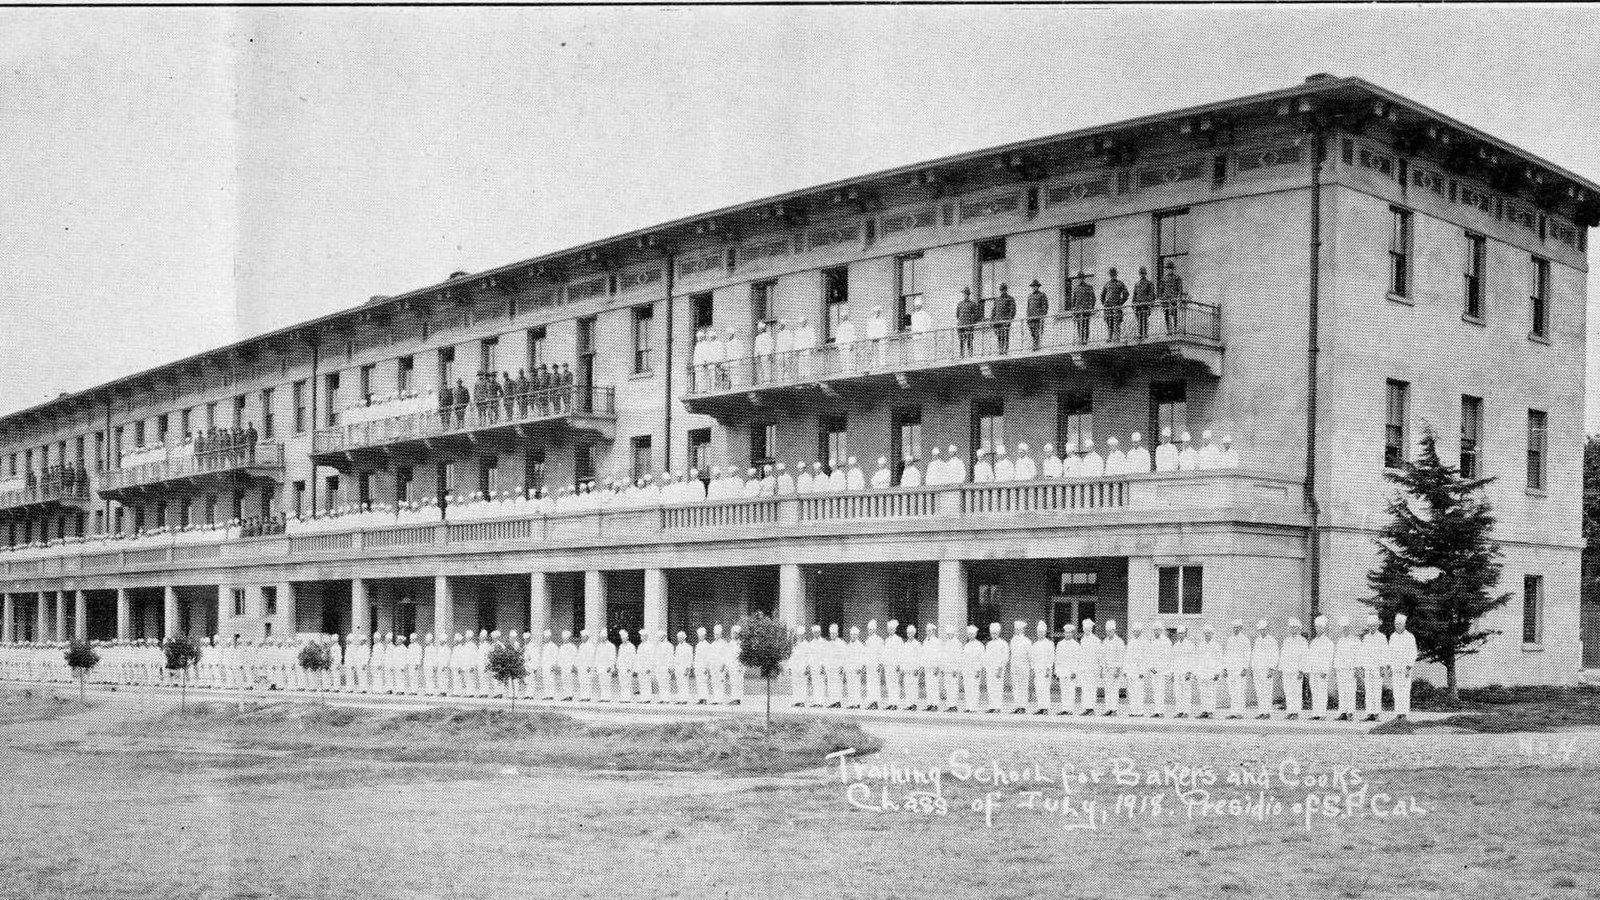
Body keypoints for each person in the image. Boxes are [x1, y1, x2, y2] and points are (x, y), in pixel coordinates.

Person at [1358, 614, 1388, 721]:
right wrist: (1362, 667)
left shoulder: (1382, 637)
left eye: (1374, 625)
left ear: (1377, 626)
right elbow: (1362, 653)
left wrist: (1383, 667)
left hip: (1377, 668)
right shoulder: (1366, 638)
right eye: (1370, 626)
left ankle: (1376, 714)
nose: (1372, 628)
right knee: (1369, 691)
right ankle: (1369, 713)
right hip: (1368, 667)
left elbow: (1384, 653)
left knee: (1376, 690)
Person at [1388, 613, 1418, 719]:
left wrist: (1408, 667)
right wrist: (1390, 667)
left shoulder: (1409, 637)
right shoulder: (1392, 637)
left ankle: (1404, 713)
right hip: (1395, 668)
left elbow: (1413, 653)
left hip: (1405, 669)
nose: (1397, 626)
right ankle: (1398, 713)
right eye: (1396, 624)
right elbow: (1390, 653)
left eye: (1400, 624)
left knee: (1404, 691)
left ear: (1404, 625)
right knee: (1396, 691)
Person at [1305, 616, 1335, 720]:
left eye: (1320, 627)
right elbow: (1310, 657)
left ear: (1324, 628)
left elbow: (1329, 658)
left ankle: (1322, 713)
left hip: (1322, 671)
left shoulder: (1328, 642)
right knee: (1314, 691)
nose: (1318, 629)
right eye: (1317, 627)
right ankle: (1315, 713)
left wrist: (1325, 670)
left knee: (1321, 692)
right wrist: (1308, 669)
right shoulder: (1314, 642)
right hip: (1313, 670)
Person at [1332, 616, 1360, 722]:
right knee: (1342, 691)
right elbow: (1337, 655)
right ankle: (1343, 712)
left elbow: (1358, 655)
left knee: (1350, 691)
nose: (1344, 629)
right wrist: (1335, 668)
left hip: (1350, 669)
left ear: (1349, 628)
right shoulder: (1340, 641)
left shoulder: (1355, 640)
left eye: (1346, 627)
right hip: (1341, 669)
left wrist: (1357, 668)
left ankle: (1350, 713)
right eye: (1343, 627)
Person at [1222, 620, 1251, 718]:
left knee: (1240, 691)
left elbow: (1247, 655)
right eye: (1234, 627)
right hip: (1231, 669)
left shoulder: (1245, 640)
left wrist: (1244, 668)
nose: (1235, 629)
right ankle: (1233, 712)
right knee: (1232, 692)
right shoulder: (1230, 639)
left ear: (1241, 628)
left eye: (1237, 627)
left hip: (1239, 670)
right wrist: (1225, 668)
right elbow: (1226, 655)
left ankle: (1240, 713)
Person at [1250, 620, 1279, 719]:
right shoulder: (1258, 640)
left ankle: (1267, 712)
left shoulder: (1272, 641)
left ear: (1268, 629)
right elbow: (1254, 655)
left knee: (1267, 691)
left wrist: (1271, 668)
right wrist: (1253, 668)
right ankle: (1261, 711)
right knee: (1259, 691)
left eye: (1264, 629)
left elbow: (1275, 655)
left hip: (1266, 670)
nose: (1262, 631)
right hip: (1257, 669)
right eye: (1260, 630)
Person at [1076, 618, 1102, 715]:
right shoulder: (1083, 640)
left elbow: (1099, 655)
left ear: (1091, 629)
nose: (1087, 630)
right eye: (1085, 628)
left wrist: (1100, 668)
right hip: (1084, 669)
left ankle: (1091, 708)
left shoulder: (1095, 640)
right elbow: (1081, 655)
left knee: (1091, 688)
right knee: (1085, 689)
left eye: (1089, 628)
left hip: (1093, 668)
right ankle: (1086, 708)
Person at [1029, 621, 1055, 714]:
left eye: (1042, 632)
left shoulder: (1049, 643)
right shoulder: (1035, 644)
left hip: (1045, 670)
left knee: (1045, 688)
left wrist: (1048, 669)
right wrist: (1032, 668)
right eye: (1038, 632)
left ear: (1045, 632)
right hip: (1037, 670)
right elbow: (1032, 657)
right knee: (1038, 688)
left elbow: (1051, 657)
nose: (1040, 634)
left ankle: (1045, 708)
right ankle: (1040, 707)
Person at [959, 624, 984, 713]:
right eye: (969, 634)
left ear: (975, 634)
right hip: (966, 670)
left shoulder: (979, 645)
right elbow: (963, 659)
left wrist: (978, 670)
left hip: (974, 670)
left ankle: (974, 707)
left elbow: (981, 659)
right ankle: (969, 706)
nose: (970, 636)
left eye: (972, 634)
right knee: (968, 688)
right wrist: (962, 671)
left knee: (974, 688)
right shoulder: (966, 646)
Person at [862, 620, 885, 710]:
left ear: (875, 630)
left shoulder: (879, 640)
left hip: (875, 665)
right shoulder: (868, 640)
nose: (870, 631)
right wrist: (864, 664)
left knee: (875, 683)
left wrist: (880, 664)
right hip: (869, 665)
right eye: (869, 629)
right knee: (869, 684)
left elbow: (881, 653)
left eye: (871, 629)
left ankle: (875, 702)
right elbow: (865, 653)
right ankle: (871, 702)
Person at [1101, 267, 1129, 340]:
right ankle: (1109, 338)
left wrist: (1120, 302)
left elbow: (1126, 294)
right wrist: (1104, 303)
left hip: (1116, 307)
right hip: (1108, 308)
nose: (1112, 276)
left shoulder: (1120, 283)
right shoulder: (1107, 284)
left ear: (1116, 275)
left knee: (1117, 323)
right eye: (1111, 274)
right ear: (1110, 275)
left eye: (1114, 274)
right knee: (1109, 323)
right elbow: (1102, 295)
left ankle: (1117, 338)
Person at [1069, 271, 1096, 344]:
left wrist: (1091, 307)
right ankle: (1080, 339)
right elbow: (1073, 300)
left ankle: (1085, 340)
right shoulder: (1076, 288)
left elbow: (1093, 298)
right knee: (1079, 326)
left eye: (1082, 278)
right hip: (1078, 310)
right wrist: (1073, 309)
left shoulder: (1089, 287)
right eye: (1079, 278)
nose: (1081, 279)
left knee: (1085, 325)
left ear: (1084, 278)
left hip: (1086, 309)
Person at [1158, 259, 1185, 333]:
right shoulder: (1163, 279)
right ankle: (1168, 330)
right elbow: (1160, 291)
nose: (1169, 270)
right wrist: (1161, 300)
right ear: (1166, 269)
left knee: (1174, 314)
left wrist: (1178, 298)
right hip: (1166, 300)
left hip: (1174, 299)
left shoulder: (1177, 278)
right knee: (1166, 315)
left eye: (1171, 268)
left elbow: (1180, 289)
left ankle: (1175, 329)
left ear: (1173, 269)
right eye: (1168, 269)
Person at [990, 283, 1016, 354]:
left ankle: (1005, 350)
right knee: (999, 337)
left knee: (1005, 336)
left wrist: (1009, 320)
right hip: (997, 322)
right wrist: (991, 320)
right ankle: (1000, 350)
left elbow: (1012, 310)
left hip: (1005, 321)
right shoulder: (997, 300)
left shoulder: (1010, 299)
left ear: (1006, 290)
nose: (1002, 291)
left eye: (1003, 290)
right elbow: (993, 311)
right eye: (1001, 290)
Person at [1131, 266, 1155, 338]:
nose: (1142, 275)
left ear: (1145, 274)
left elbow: (1152, 295)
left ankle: (1145, 335)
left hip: (1145, 305)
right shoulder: (1137, 284)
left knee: (1144, 320)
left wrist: (1150, 304)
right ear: (1139, 274)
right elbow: (1134, 295)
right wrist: (1133, 304)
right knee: (1139, 321)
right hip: (1138, 306)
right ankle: (1140, 335)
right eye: (1141, 273)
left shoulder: (1149, 283)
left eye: (1143, 273)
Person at [1024, 280, 1049, 350]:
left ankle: (1036, 346)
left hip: (1038, 318)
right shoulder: (1030, 296)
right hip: (1031, 318)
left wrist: (1042, 316)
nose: (1034, 288)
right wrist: (1027, 318)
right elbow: (1028, 308)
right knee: (1032, 333)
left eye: (1036, 286)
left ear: (1038, 287)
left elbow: (1045, 306)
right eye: (1033, 286)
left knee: (1037, 333)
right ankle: (1034, 345)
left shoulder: (1042, 295)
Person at [955, 288, 980, 357]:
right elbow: (957, 315)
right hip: (961, 325)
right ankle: (962, 355)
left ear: (968, 295)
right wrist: (961, 322)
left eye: (966, 294)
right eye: (964, 294)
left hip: (969, 326)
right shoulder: (960, 304)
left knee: (969, 341)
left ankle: (970, 355)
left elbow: (976, 315)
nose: (965, 295)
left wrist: (971, 323)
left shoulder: (972, 304)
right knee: (962, 341)